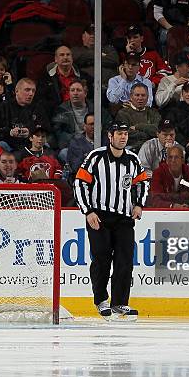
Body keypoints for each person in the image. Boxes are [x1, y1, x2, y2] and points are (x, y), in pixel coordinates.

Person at [73, 122, 150, 321]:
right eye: (119, 133)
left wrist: (139, 204)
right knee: (101, 259)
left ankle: (119, 302)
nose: (123, 137)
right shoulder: (96, 157)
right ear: (110, 136)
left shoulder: (132, 160)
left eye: (125, 133)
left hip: (124, 218)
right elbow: (80, 182)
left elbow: (142, 182)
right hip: (100, 216)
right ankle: (101, 300)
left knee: (125, 261)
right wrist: (88, 211)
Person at [0, 78, 50, 152]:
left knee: (46, 145)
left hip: (31, 145)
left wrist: (30, 131)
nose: (31, 94)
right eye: (27, 90)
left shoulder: (37, 107)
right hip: (10, 145)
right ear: (16, 91)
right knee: (1, 145)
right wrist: (10, 132)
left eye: (33, 91)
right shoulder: (5, 106)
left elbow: (46, 127)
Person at [37, 45, 92, 116]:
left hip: (81, 114)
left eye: (68, 55)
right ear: (56, 59)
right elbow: (41, 101)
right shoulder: (45, 79)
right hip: (55, 116)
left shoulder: (84, 77)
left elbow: (91, 98)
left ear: (72, 58)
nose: (65, 57)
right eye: (62, 55)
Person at [71, 24, 120, 91]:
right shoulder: (76, 50)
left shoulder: (109, 49)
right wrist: (100, 56)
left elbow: (114, 60)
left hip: (108, 89)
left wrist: (88, 60)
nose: (92, 35)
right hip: (87, 90)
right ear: (83, 36)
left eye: (95, 33)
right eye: (89, 33)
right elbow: (76, 59)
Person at [114, 83, 161, 152]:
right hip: (131, 148)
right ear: (131, 96)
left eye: (143, 95)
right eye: (137, 95)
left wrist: (139, 127)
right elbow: (126, 133)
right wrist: (148, 133)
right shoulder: (123, 113)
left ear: (148, 97)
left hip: (152, 148)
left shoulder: (154, 112)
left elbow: (158, 130)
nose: (140, 98)